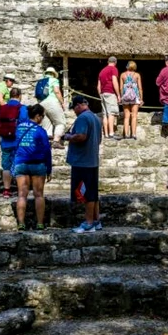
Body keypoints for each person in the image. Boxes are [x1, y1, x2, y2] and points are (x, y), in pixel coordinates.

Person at [12, 104, 52, 231]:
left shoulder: (18, 128)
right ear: (38, 116)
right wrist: (49, 169)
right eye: (43, 116)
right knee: (39, 195)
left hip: (21, 163)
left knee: (22, 195)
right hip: (37, 164)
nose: (43, 118)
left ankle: (21, 223)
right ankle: (40, 223)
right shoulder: (41, 131)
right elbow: (47, 151)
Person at [66, 95, 102, 233]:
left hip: (82, 161)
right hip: (92, 160)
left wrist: (69, 137)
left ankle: (88, 223)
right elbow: (98, 139)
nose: (74, 112)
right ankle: (96, 220)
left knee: (86, 193)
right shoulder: (96, 118)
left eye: (74, 109)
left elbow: (81, 136)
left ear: (78, 105)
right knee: (93, 192)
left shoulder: (82, 118)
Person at [0, 87, 28, 198]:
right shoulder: (22, 108)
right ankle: (21, 189)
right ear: (19, 96)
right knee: (19, 164)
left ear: (9, 96)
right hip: (18, 141)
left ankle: (6, 190)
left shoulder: (3, 107)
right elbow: (24, 123)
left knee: (6, 166)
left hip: (5, 141)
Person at [38, 67, 66, 149]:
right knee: (61, 122)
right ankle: (56, 142)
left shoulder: (40, 81)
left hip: (42, 103)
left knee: (46, 124)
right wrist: (62, 102)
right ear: (53, 74)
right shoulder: (54, 80)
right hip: (52, 102)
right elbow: (56, 91)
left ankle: (46, 142)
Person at [97, 56, 120, 139]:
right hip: (110, 93)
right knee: (111, 113)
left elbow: (98, 86)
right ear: (115, 62)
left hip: (103, 93)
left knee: (105, 114)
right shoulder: (113, 69)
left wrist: (100, 94)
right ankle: (111, 133)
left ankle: (106, 134)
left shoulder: (102, 71)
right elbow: (114, 81)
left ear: (108, 61)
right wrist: (118, 94)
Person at [119, 61, 142, 140]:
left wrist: (121, 97)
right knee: (134, 116)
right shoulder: (137, 75)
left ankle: (126, 134)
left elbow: (121, 88)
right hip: (135, 96)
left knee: (126, 116)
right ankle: (134, 134)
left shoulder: (122, 75)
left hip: (125, 96)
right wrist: (141, 98)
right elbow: (140, 88)